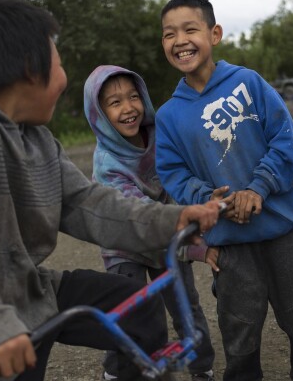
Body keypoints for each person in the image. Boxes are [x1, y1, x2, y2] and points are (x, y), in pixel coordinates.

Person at [0, 0, 221, 381]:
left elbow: (86, 203)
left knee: (138, 310)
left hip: (28, 292)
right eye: (58, 64)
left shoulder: (36, 137)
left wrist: (172, 219)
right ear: (29, 68)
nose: (64, 80)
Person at [155, 0, 293, 381]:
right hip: (230, 244)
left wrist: (258, 188)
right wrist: (209, 198)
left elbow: (286, 139)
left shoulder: (248, 82)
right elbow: (173, 174)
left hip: (283, 231)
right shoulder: (168, 115)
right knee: (240, 338)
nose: (180, 40)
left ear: (214, 33)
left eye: (190, 29)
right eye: (170, 34)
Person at [83, 65, 216, 381]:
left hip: (167, 231)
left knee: (186, 304)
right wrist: (194, 249)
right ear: (98, 114)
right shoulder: (107, 166)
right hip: (125, 241)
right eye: (115, 103)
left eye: (133, 97)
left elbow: (179, 177)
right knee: (132, 310)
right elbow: (138, 216)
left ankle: (202, 367)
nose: (128, 108)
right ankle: (115, 371)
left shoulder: (160, 137)